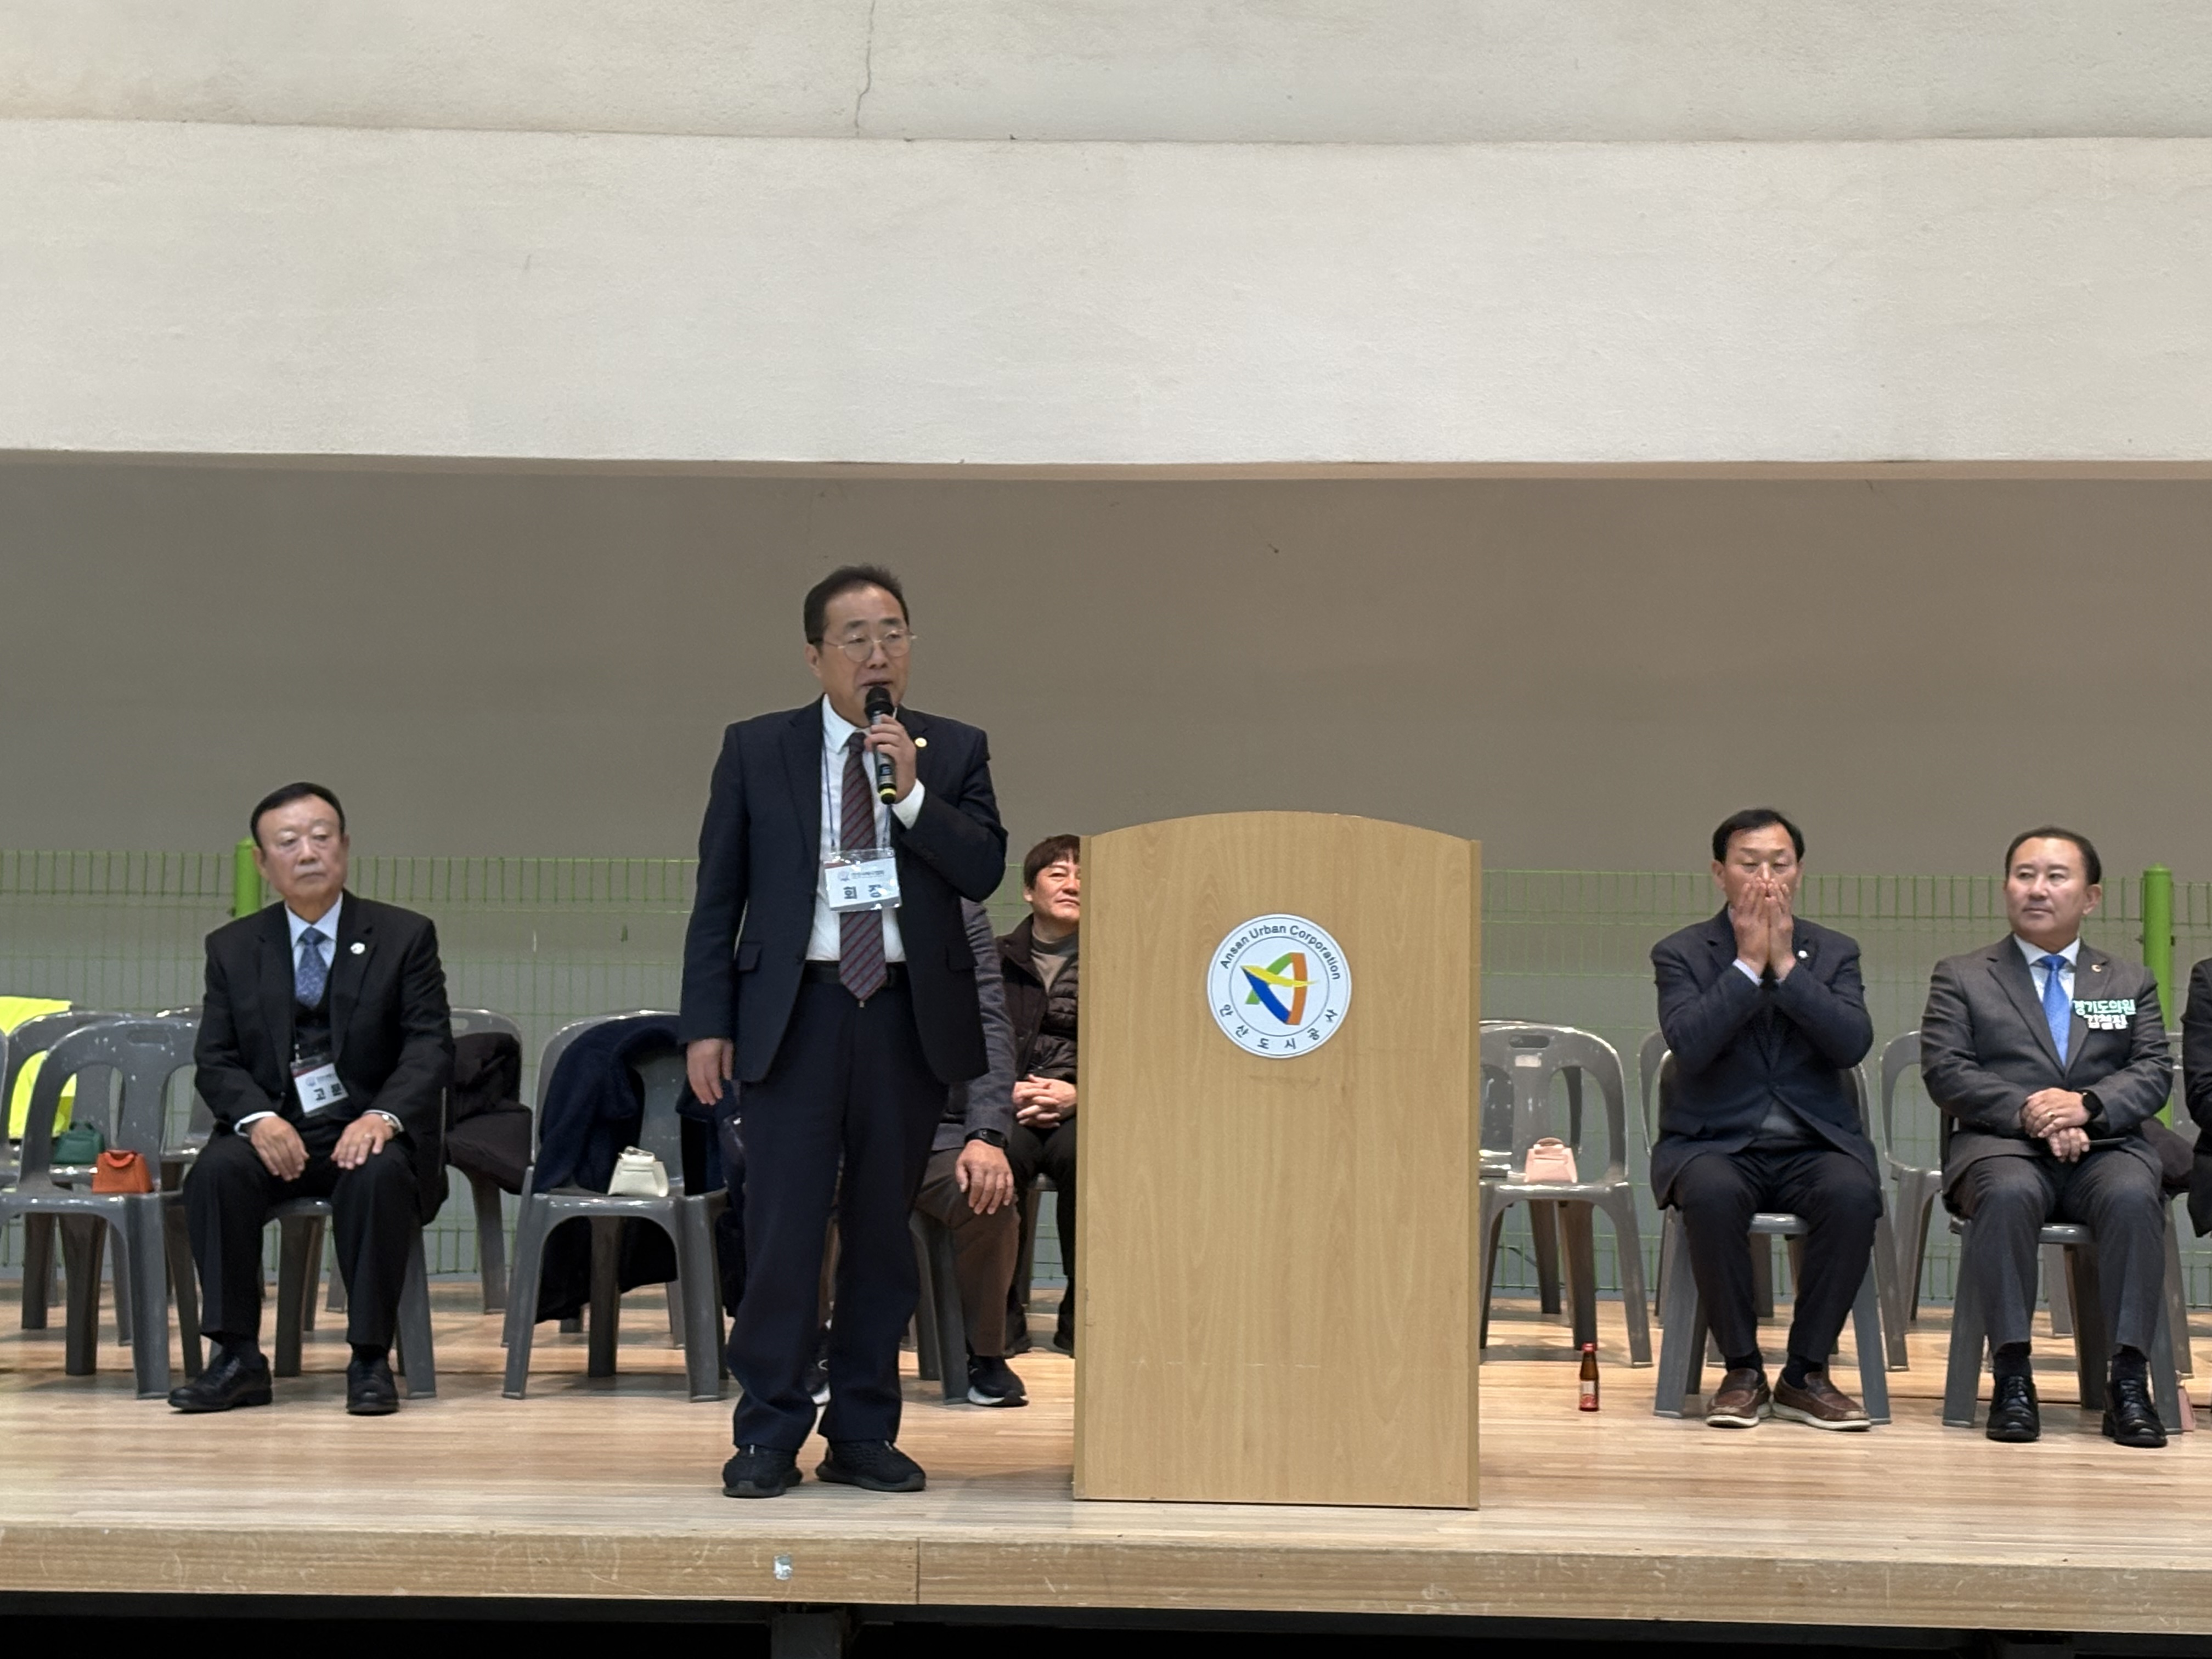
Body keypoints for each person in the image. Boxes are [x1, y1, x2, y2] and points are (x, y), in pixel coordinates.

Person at [681, 565, 1007, 1499]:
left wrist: (911, 795)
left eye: (893, 633)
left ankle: (863, 1428)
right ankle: (768, 1429)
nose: (878, 653)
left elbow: (983, 867)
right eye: (856, 637)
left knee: (879, 1233)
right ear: (815, 655)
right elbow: (718, 896)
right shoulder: (757, 748)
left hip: (904, 1012)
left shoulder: (952, 748)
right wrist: (707, 1022)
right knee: (782, 1227)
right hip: (797, 1010)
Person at [170, 783, 452, 1417]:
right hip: (278, 1128)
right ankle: (237, 1358)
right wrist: (258, 1120)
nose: (307, 853)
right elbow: (216, 1057)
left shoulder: (404, 936)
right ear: (262, 862)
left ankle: (370, 1359)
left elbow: (429, 1046)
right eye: (288, 842)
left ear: (345, 846)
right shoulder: (233, 947)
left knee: (378, 1176)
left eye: (322, 837)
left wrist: (382, 1117)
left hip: (365, 1128)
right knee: (216, 1174)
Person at [1921, 827, 2174, 1448]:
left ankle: (2129, 1381)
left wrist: (2086, 1107)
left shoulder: (2127, 980)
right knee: (2007, 1194)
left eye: (2056, 877)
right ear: (2006, 886)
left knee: (2134, 1196)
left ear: (2091, 897)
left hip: (2106, 1148)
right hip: (2001, 1146)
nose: (2037, 889)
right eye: (2024, 875)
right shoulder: (1963, 976)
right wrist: (2034, 1111)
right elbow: (1946, 1069)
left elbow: (2151, 1072)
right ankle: (2012, 1376)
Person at [1649, 809, 1880, 1431]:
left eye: (1780, 864)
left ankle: (1805, 1372)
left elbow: (1851, 1043)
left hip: (1814, 1142)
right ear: (1719, 873)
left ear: (1799, 872)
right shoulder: (1681, 953)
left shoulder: (1834, 952)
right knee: (1712, 1195)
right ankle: (1742, 1370)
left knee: (1853, 1194)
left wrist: (1788, 970)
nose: (1766, 878)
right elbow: (1690, 1044)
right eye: (1750, 865)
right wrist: (1748, 966)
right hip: (1716, 1143)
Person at [910, 899, 1026, 1406]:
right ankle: (813, 1346)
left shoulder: (959, 914)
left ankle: (984, 1351)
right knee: (804, 1191)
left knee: (988, 1195)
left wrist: (986, 1134)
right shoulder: (825, 897)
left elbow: (990, 1025)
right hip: (845, 1129)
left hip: (938, 1130)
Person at [997, 834, 1081, 1355]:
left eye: (1084, 876)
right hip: (1007, 1103)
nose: (1073, 884)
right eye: (1058, 873)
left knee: (1092, 1162)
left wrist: (1081, 1096)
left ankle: (1082, 1321)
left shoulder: (1120, 957)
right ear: (1029, 890)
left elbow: (1139, 1050)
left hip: (1084, 1110)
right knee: (995, 1160)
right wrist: (999, 1091)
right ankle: (998, 1324)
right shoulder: (993, 957)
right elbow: (966, 1042)